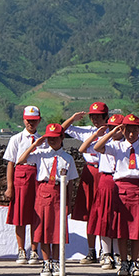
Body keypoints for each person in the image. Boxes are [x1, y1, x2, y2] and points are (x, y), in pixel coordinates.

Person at [92, 114, 139, 276]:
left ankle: (134, 261)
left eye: (134, 129)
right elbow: (97, 147)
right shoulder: (117, 147)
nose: (131, 133)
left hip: (138, 189)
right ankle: (123, 261)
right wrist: (113, 131)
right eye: (128, 130)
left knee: (137, 230)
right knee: (121, 230)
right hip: (120, 190)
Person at [17, 123, 78, 276]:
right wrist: (35, 145)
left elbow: (70, 182)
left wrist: (69, 202)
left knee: (57, 230)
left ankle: (56, 261)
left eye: (55, 138)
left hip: (59, 192)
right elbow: (21, 160)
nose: (52, 141)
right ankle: (46, 262)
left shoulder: (67, 158)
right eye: (49, 138)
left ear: (62, 137)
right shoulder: (41, 154)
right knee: (43, 230)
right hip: (43, 191)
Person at [61, 102, 109, 264]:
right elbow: (62, 130)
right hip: (90, 171)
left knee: (105, 212)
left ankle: (106, 251)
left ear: (105, 117)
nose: (95, 120)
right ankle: (91, 250)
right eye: (92, 116)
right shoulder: (87, 131)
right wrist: (73, 118)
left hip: (106, 172)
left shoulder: (112, 131)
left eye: (98, 116)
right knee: (90, 212)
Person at [81, 113, 123, 270]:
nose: (115, 131)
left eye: (118, 128)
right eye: (111, 128)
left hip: (120, 180)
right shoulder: (105, 142)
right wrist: (107, 134)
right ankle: (106, 254)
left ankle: (118, 253)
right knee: (104, 218)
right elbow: (83, 148)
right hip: (105, 180)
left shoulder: (127, 144)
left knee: (118, 219)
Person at [3, 106, 44, 265]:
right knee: (20, 216)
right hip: (21, 177)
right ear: (23, 120)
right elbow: (11, 163)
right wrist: (10, 186)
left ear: (39, 120)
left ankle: (34, 250)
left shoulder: (43, 140)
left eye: (34, 121)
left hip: (37, 176)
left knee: (36, 215)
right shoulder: (16, 139)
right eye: (28, 120)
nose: (31, 124)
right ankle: (21, 250)